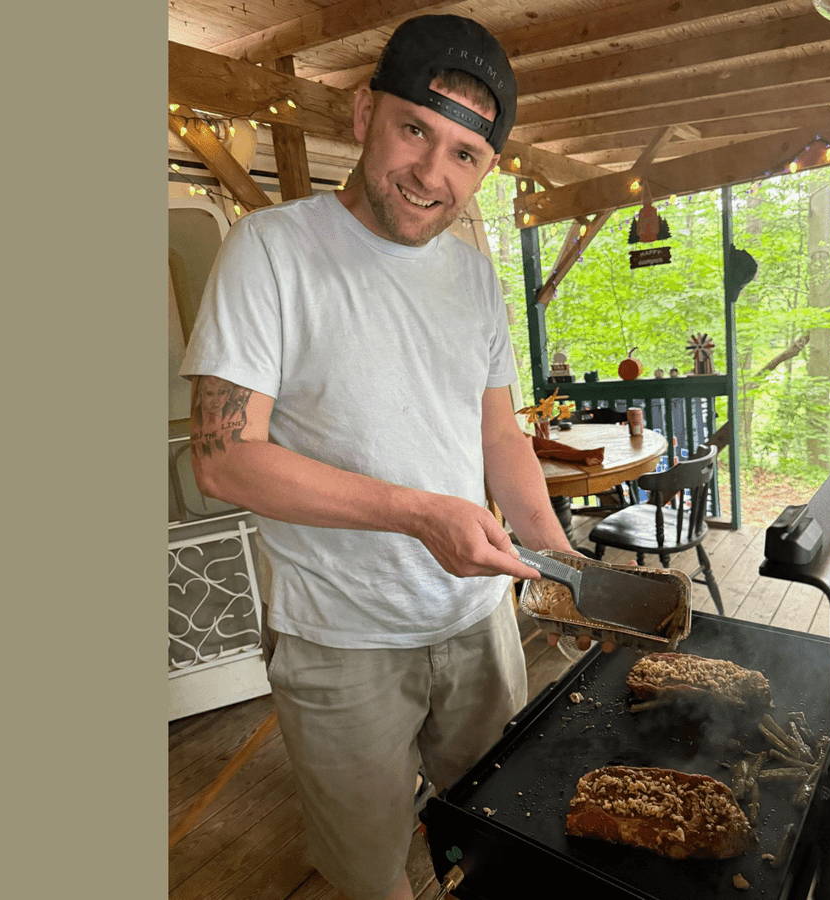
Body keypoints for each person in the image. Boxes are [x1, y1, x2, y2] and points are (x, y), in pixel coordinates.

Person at [179, 15, 582, 900]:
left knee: (505, 841)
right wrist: (417, 511)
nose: (435, 175)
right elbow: (223, 462)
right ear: (365, 115)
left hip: (478, 625)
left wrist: (557, 559)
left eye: (467, 155)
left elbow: (499, 436)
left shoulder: (473, 276)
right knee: (369, 875)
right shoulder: (272, 250)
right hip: (340, 641)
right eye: (415, 130)